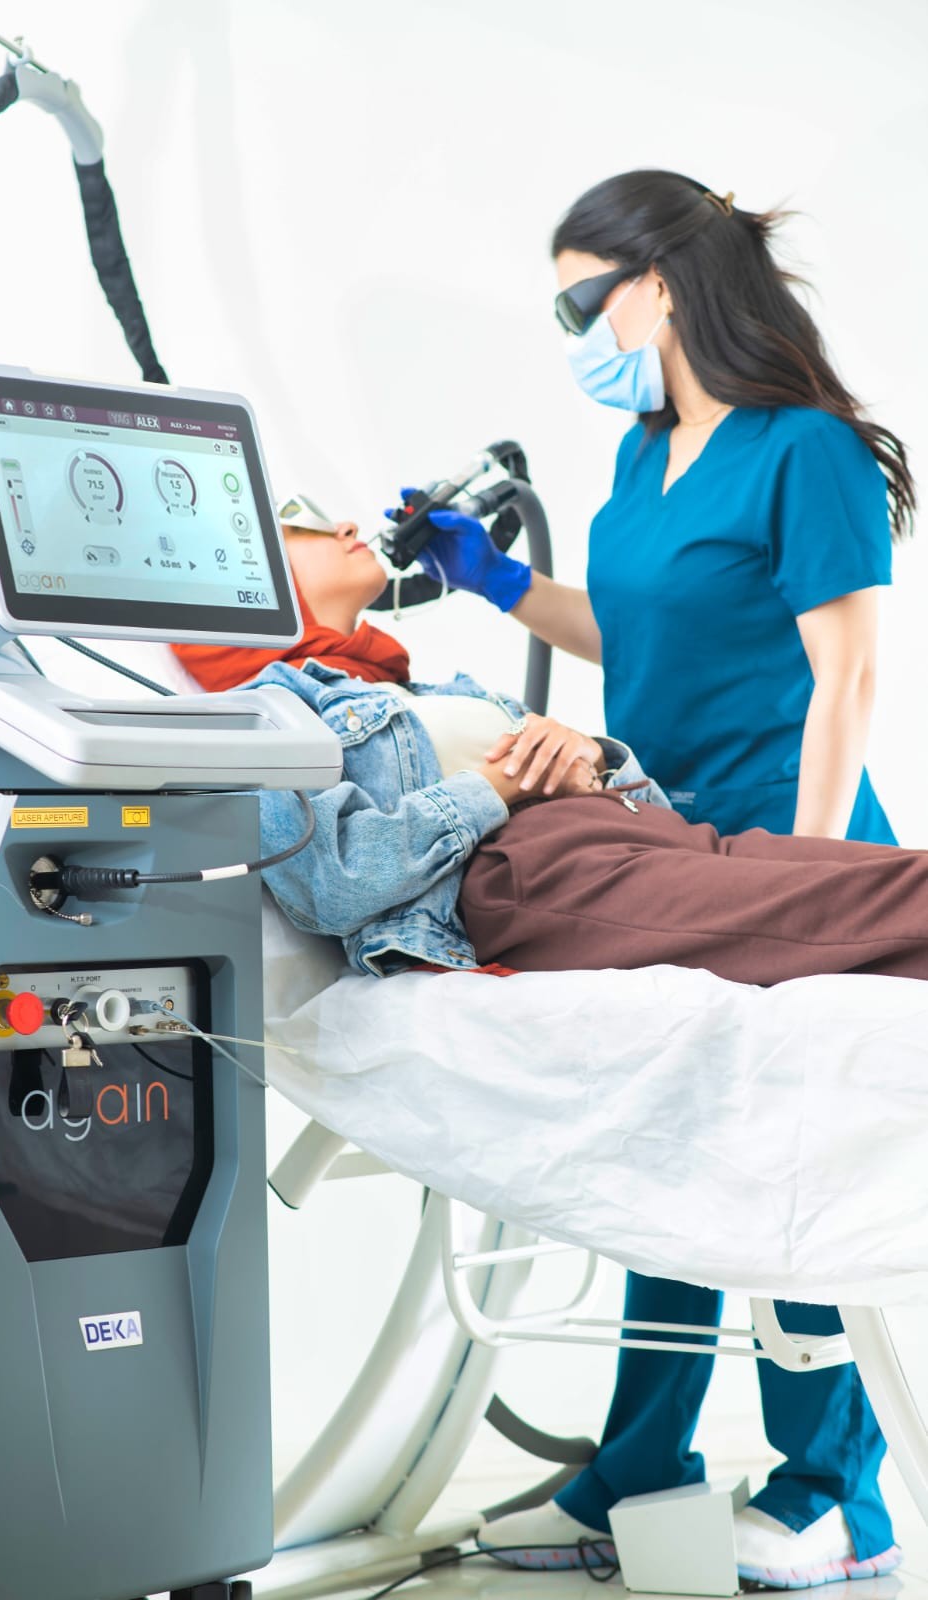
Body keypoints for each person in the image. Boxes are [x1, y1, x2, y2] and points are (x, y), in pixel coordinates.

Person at [174, 505, 924, 1584]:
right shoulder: (261, 711)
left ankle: (713, 1479)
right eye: (297, 522)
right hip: (527, 880)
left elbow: (631, 785)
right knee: (853, 921)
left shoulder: (419, 683)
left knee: (868, 882)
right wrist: (493, 789)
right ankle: (684, 1473)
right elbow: (335, 882)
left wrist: (591, 756)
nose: (339, 521)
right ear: (240, 584)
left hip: (647, 835)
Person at [378, 170, 916, 1585]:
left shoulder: (807, 451)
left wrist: (806, 875)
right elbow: (640, 629)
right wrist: (492, 580)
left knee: (791, 1164)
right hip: (658, 847)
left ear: (660, 287)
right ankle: (636, 1471)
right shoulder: (640, 454)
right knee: (663, 1147)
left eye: (580, 303)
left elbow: (847, 676)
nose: (573, 335)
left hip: (792, 842)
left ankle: (831, 1498)